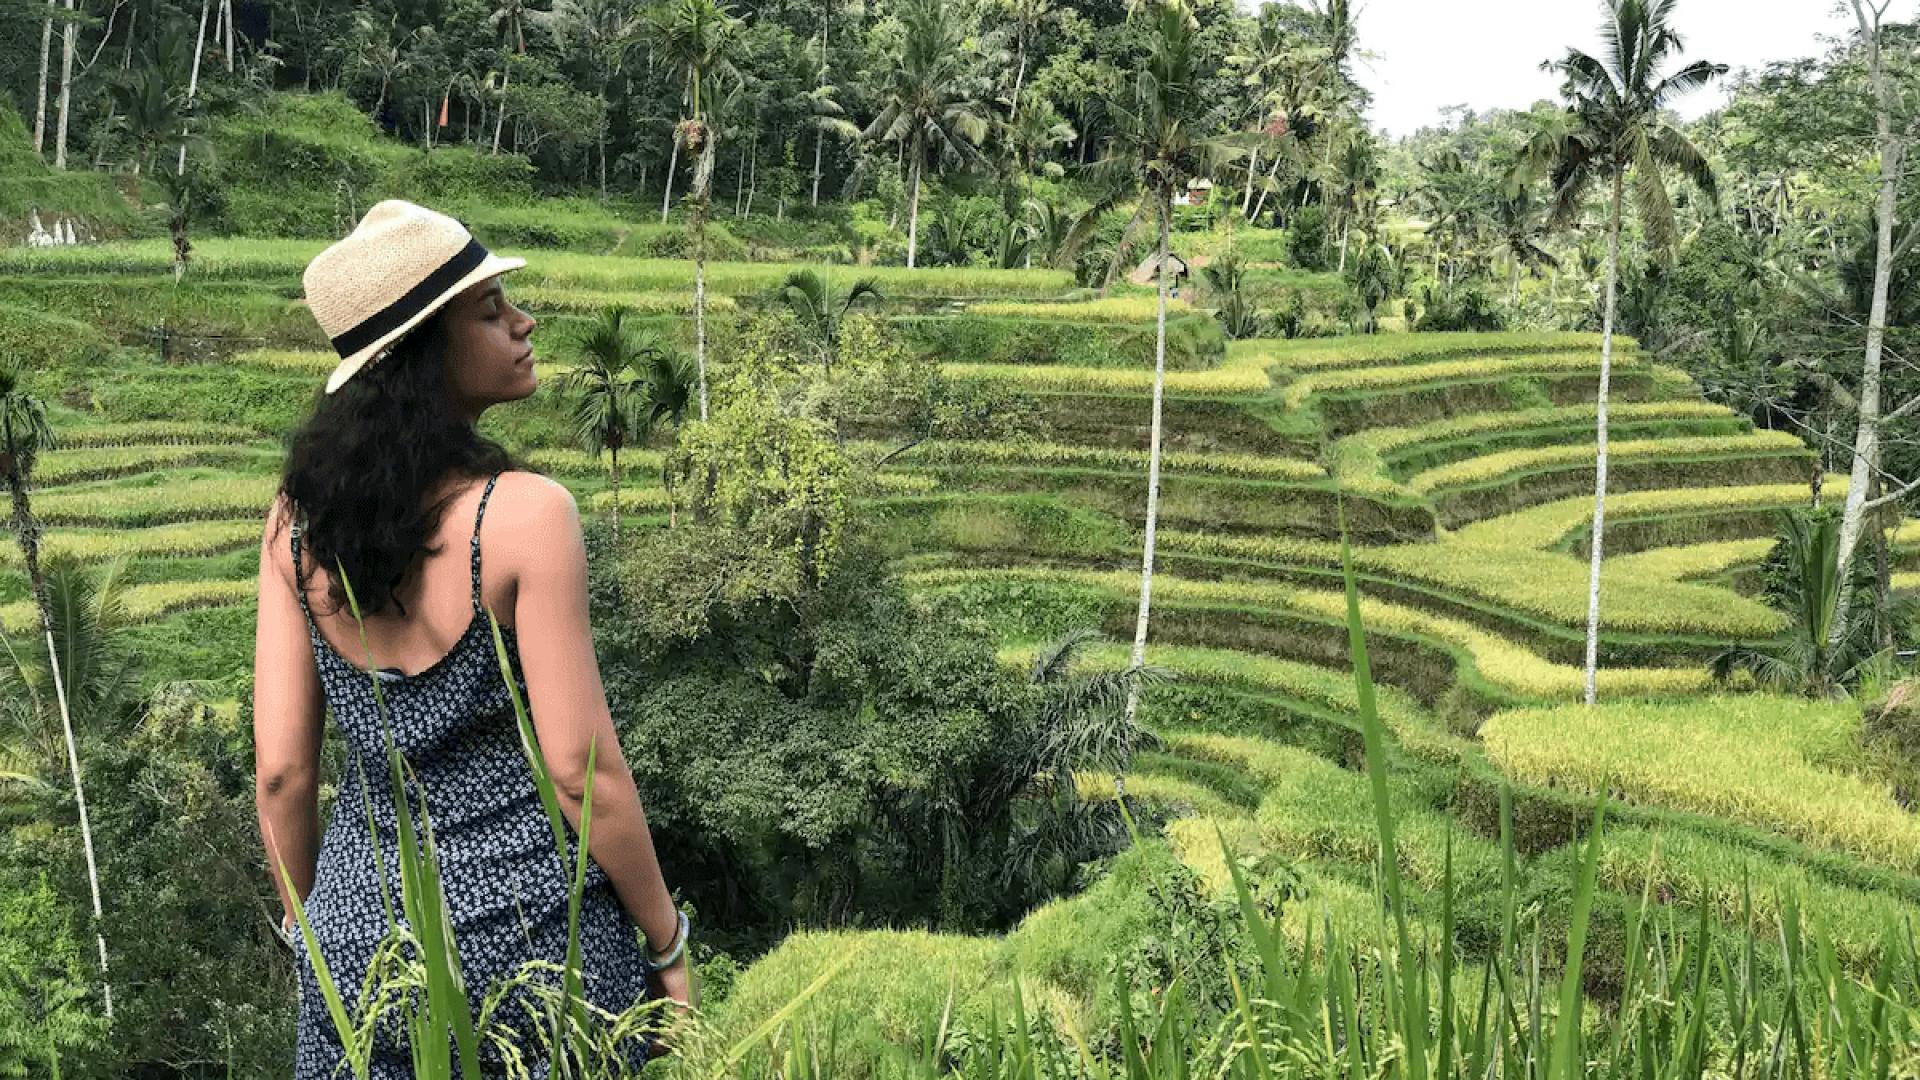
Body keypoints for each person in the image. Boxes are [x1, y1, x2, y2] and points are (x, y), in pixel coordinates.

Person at [251, 200, 690, 1077]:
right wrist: (668, 944)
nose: (524, 324)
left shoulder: (295, 528)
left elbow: (283, 774)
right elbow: (581, 770)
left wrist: (313, 931)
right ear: (422, 356)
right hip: (535, 948)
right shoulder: (528, 516)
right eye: (489, 312)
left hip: (361, 947)